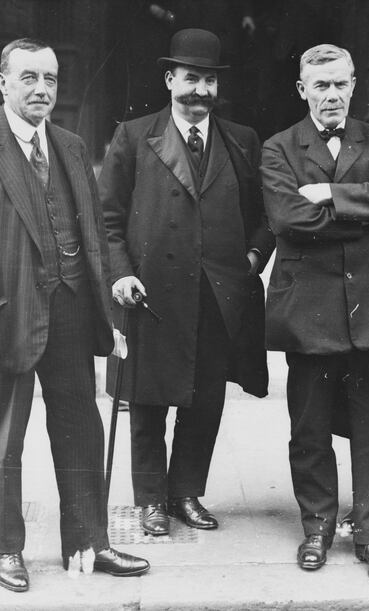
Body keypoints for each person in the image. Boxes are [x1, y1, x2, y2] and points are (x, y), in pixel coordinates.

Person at [0, 38, 149, 593]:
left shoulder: (70, 146)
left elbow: (92, 234)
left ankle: (88, 542)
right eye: (28, 78)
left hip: (71, 309)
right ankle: (6, 550)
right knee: (5, 437)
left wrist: (108, 310)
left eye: (49, 78)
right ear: (2, 83)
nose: (41, 89)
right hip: (5, 320)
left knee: (81, 428)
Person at [98, 28, 274, 538]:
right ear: (170, 79)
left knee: (206, 400)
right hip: (150, 294)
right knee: (147, 400)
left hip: (218, 296)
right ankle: (151, 499)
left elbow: (265, 212)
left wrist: (253, 256)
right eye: (191, 77)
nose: (200, 90)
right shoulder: (133, 136)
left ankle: (186, 493)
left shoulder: (242, 140)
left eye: (209, 80)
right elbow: (107, 218)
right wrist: (122, 272)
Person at [261, 43, 369, 585]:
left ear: (355, 86)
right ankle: (318, 527)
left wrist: (329, 191)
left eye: (340, 84)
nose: (332, 95)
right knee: (309, 428)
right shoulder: (279, 148)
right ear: (302, 90)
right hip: (310, 310)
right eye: (320, 86)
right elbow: (287, 218)